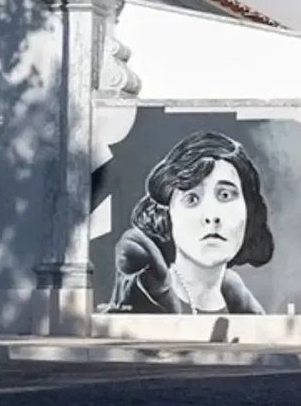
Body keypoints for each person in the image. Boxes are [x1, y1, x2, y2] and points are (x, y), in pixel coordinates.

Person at [98, 131, 275, 314]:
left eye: (225, 195)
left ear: (249, 209)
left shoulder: (249, 312)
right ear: (168, 214)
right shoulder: (138, 300)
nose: (211, 216)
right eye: (192, 198)